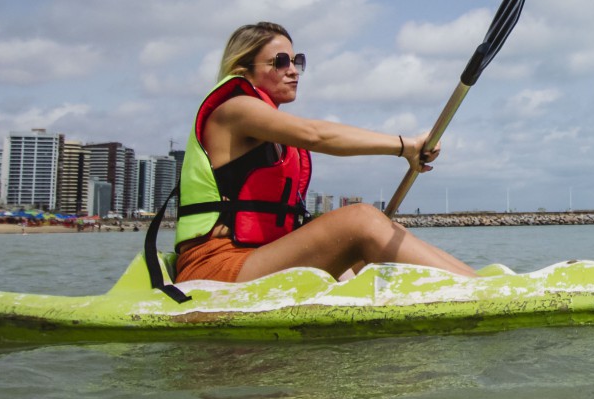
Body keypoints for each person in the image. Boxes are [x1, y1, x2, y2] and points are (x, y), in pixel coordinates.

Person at [173, 21, 475, 283]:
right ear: (244, 69)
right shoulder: (235, 109)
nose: (293, 71)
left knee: (384, 232)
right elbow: (316, 135)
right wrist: (406, 146)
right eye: (280, 62)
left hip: (257, 256)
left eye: (297, 61)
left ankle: (481, 284)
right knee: (360, 221)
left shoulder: (267, 130)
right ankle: (479, 293)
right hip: (216, 266)